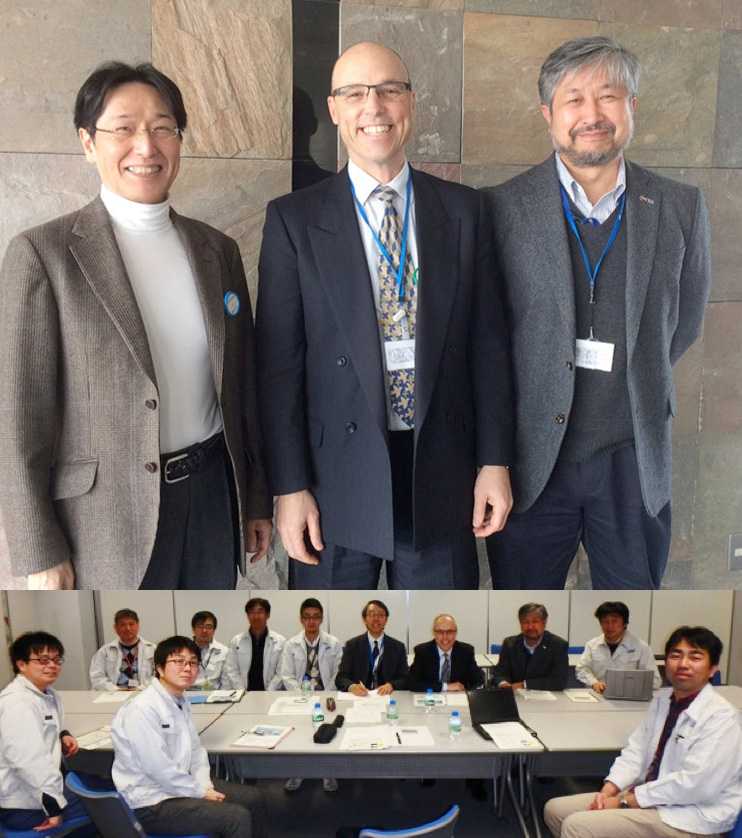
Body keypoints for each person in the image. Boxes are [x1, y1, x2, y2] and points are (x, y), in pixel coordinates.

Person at [0, 61, 272, 590]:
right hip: (103, 524)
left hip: (213, 501)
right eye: (123, 127)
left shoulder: (217, 249)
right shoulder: (43, 255)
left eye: (162, 127)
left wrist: (255, 497)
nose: (145, 146)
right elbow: (18, 416)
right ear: (88, 141)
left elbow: (243, 389)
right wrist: (37, 549)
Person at [256, 41, 513, 589]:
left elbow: (488, 350)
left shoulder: (465, 212)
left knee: (434, 645)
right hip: (333, 486)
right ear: (334, 110)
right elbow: (278, 368)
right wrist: (289, 486)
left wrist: (495, 462)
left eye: (389, 90)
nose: (373, 106)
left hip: (440, 474)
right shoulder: (293, 221)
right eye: (354, 93)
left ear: (411, 105)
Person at [483, 36, 711, 589]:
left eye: (608, 97)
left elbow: (685, 323)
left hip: (632, 461)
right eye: (574, 100)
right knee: (523, 632)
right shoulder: (499, 208)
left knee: (631, 630)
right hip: (531, 462)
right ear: (548, 115)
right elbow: (487, 336)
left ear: (631, 106)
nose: (592, 115)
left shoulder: (680, 206)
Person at [545, 626, 742, 838]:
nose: (683, 664)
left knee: (577, 826)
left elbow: (694, 785)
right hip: (651, 796)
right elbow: (636, 751)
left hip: (691, 816)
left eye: (695, 657)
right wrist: (609, 789)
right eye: (676, 656)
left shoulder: (722, 718)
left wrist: (625, 801)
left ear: (712, 669)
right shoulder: (663, 701)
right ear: (666, 663)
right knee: (555, 811)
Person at [111, 636, 266, 838]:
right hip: (151, 802)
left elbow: (195, 751)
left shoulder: (180, 701)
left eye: (193, 662)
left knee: (254, 797)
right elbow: (158, 768)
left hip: (180, 784)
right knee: (236, 817)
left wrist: (204, 785)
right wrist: (200, 793)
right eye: (178, 661)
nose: (187, 668)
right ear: (159, 668)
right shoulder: (142, 709)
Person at [0, 631, 93, 835]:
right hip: (23, 805)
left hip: (38, 792)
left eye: (56, 659)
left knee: (101, 785)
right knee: (106, 803)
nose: (52, 665)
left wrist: (62, 734)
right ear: (21, 664)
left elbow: (40, 728)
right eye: (43, 660)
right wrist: (53, 806)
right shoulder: (18, 702)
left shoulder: (47, 694)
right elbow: (27, 760)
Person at [279, 598, 342, 792]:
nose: (311, 621)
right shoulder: (291, 644)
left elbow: (338, 672)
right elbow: (286, 675)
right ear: (301, 619)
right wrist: (301, 695)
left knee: (327, 733)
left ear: (322, 619)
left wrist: (326, 694)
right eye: (307, 617)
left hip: (327, 696)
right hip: (301, 697)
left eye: (315, 617)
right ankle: (298, 772)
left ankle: (328, 773)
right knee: (300, 735)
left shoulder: (333, 643)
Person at [577, 601, 661, 692]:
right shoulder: (592, 645)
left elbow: (654, 681)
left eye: (615, 621)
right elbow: (582, 668)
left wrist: (627, 686)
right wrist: (593, 682)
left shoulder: (641, 647)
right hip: (598, 694)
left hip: (629, 696)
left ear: (625, 624)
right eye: (605, 621)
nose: (609, 626)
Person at [336, 599, 409, 695]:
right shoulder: (352, 645)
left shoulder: (398, 647)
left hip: (387, 697)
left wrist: (392, 685)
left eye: (381, 615)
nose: (376, 619)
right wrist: (352, 686)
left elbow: (405, 677)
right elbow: (341, 678)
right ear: (364, 619)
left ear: (386, 619)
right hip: (360, 698)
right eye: (371, 614)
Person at [492, 603, 568, 691]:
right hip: (515, 697)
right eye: (526, 622)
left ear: (544, 623)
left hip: (546, 700)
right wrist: (503, 683)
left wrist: (524, 685)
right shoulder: (510, 644)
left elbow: (559, 681)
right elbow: (500, 672)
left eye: (535, 622)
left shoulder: (558, 646)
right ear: (520, 624)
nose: (530, 627)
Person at [407, 614, 484, 693]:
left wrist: (463, 686)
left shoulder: (466, 651)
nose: (445, 637)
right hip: (432, 697)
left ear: (456, 633)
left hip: (457, 698)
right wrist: (446, 687)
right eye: (440, 632)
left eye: (450, 632)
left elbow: (478, 679)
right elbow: (412, 683)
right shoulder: (423, 651)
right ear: (434, 633)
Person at [225, 598, 285, 691]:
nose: (256, 616)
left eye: (260, 612)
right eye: (252, 612)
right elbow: (232, 670)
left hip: (270, 692)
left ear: (267, 615)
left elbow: (281, 672)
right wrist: (242, 692)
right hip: (244, 693)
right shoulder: (236, 641)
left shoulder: (280, 641)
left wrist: (269, 692)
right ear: (248, 616)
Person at [90, 608, 156, 691]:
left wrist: (141, 688)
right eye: (122, 625)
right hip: (113, 694)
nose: (127, 628)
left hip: (143, 693)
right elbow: (97, 677)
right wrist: (115, 689)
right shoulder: (104, 651)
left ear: (138, 626)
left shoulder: (152, 650)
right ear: (115, 628)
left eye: (131, 624)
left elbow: (159, 676)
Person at [191, 610, 228, 689]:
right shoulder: (185, 651)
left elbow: (226, 682)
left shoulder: (224, 651)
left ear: (214, 630)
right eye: (200, 627)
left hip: (215, 695)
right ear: (193, 629)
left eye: (209, 627)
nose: (204, 631)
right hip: (189, 694)